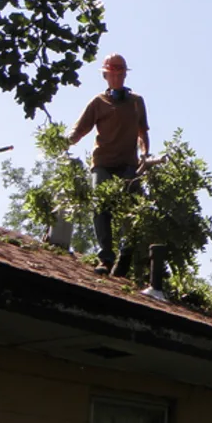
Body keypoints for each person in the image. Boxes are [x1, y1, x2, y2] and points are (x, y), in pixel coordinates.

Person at [68, 53, 149, 275]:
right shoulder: (98, 102)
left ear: (125, 75)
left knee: (133, 211)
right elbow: (80, 128)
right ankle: (105, 258)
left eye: (120, 73)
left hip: (128, 165)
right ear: (105, 76)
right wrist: (65, 141)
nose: (117, 77)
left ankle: (125, 257)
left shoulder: (136, 102)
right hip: (103, 163)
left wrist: (145, 153)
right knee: (100, 206)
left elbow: (143, 132)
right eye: (112, 73)